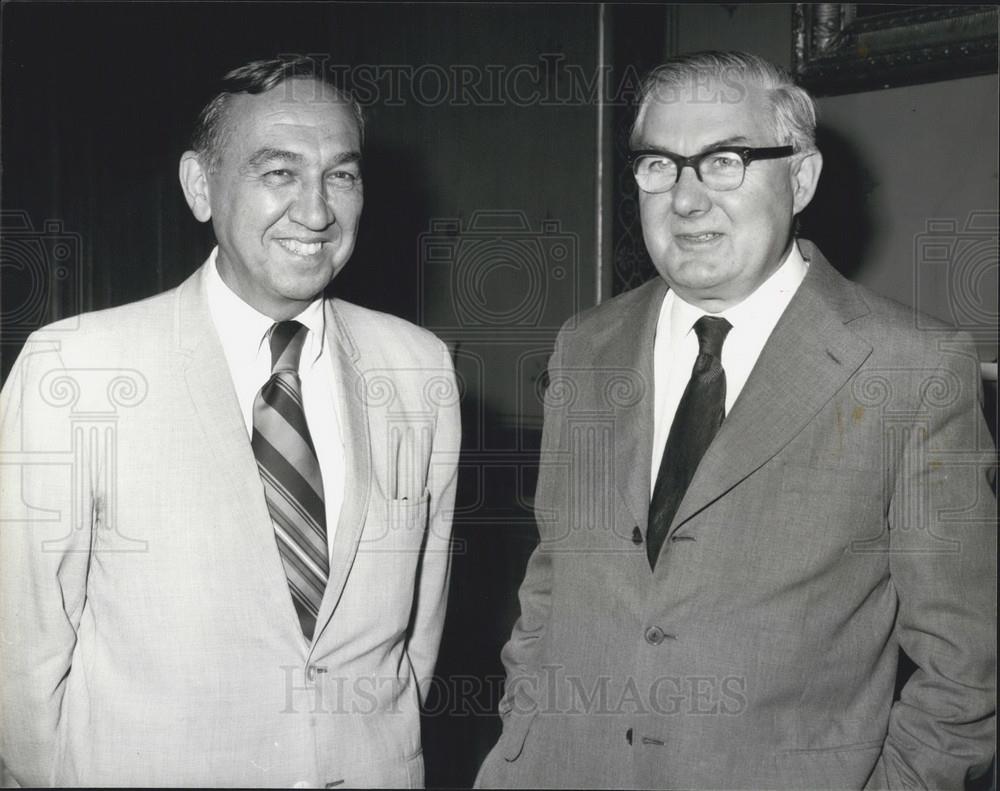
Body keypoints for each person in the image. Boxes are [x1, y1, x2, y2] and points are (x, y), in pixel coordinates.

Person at [476, 51, 995, 789]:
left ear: (802, 177)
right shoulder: (586, 345)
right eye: (659, 164)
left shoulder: (911, 368)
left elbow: (966, 669)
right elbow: (551, 592)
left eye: (724, 160)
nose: (686, 199)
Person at [0, 56, 459, 787]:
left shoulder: (420, 369)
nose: (316, 212)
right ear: (199, 186)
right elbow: (19, 666)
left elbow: (416, 639)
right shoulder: (73, 369)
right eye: (279, 173)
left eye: (341, 175)